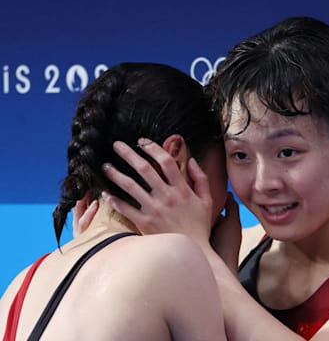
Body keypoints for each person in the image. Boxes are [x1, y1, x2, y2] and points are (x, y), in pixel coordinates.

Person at [97, 17, 329, 340]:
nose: (263, 182)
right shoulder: (236, 248)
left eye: (287, 153)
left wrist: (200, 257)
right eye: (240, 155)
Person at [0, 63, 228, 341]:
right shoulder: (173, 258)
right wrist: (214, 262)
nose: (227, 194)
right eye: (224, 165)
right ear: (176, 159)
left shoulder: (22, 285)